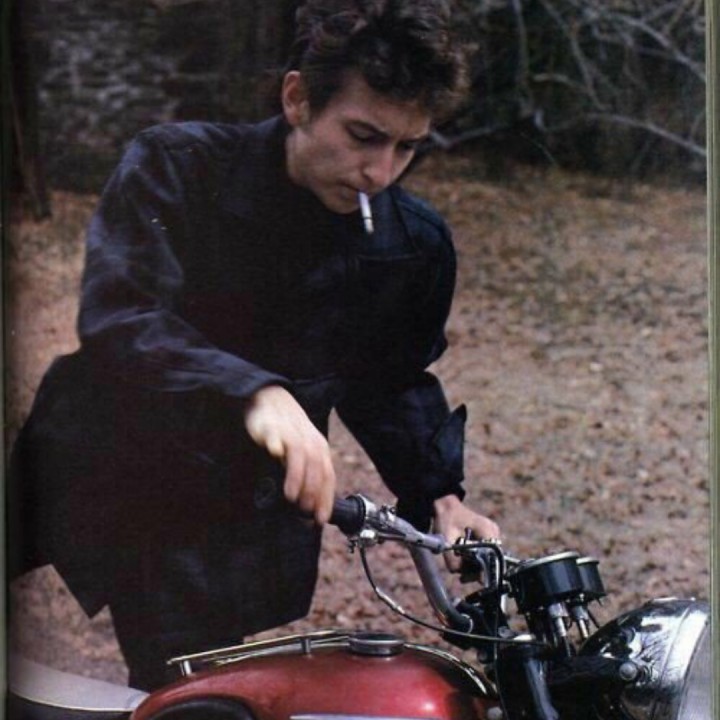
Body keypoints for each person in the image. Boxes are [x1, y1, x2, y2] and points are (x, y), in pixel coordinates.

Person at [8, 0, 499, 691]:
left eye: (407, 147)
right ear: (298, 99)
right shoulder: (178, 167)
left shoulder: (411, 243)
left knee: (187, 690)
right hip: (96, 453)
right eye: (363, 136)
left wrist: (441, 495)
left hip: (219, 510)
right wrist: (254, 391)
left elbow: (389, 380)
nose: (380, 171)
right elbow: (122, 314)